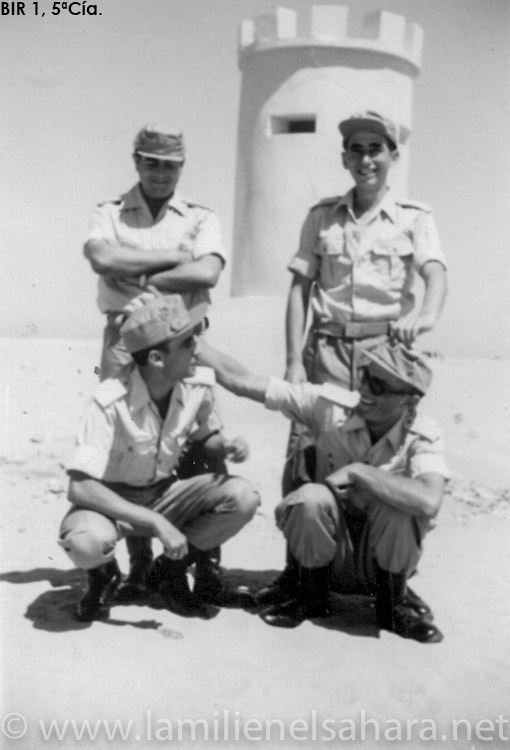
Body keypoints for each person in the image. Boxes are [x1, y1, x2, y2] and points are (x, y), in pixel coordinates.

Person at [198, 339, 449, 643]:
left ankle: (392, 607)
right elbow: (244, 381)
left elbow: (429, 500)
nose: (365, 389)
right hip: (326, 556)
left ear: (409, 402)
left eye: (379, 386)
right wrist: (192, 343)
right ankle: (311, 597)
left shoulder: (423, 434)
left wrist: (360, 473)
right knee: (311, 498)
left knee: (401, 505)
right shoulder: (330, 407)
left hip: (381, 566)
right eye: (365, 376)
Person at [83, 124, 229, 583]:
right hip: (125, 341)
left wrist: (139, 276)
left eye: (170, 165)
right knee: (125, 445)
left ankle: (203, 562)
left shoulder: (200, 217)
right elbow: (102, 260)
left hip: (183, 341)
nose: (161, 173)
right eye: (152, 163)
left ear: (182, 167)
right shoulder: (109, 213)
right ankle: (141, 562)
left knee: (202, 440)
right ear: (136, 162)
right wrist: (175, 259)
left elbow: (207, 272)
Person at [58, 294, 260, 623]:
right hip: (113, 504)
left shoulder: (197, 386)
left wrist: (226, 446)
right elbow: (80, 488)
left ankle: (167, 570)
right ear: (156, 358)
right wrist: (155, 522)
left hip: (164, 495)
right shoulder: (110, 400)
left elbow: (204, 437)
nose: (198, 349)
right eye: (188, 343)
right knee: (85, 542)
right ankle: (104, 575)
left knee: (243, 497)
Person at [284, 110, 448, 490]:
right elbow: (299, 289)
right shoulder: (321, 217)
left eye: (376, 149)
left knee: (380, 455)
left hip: (383, 356)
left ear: (394, 156)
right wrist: (293, 361)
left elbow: (436, 274)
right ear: (345, 159)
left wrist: (425, 316)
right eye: (356, 150)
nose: (366, 159)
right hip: (326, 351)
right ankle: (306, 526)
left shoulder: (414, 218)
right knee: (309, 451)